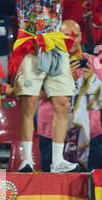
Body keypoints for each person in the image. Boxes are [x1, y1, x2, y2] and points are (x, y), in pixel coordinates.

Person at [13, 0, 80, 173]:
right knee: (28, 103)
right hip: (30, 43)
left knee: (62, 103)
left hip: (55, 43)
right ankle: (27, 160)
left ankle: (57, 161)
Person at [38, 20, 102, 171]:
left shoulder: (94, 62)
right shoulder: (47, 61)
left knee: (90, 185)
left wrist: (92, 79)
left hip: (89, 134)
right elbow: (36, 94)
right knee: (51, 185)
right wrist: (64, 79)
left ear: (81, 38)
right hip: (52, 132)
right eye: (66, 35)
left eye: (76, 35)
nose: (72, 40)